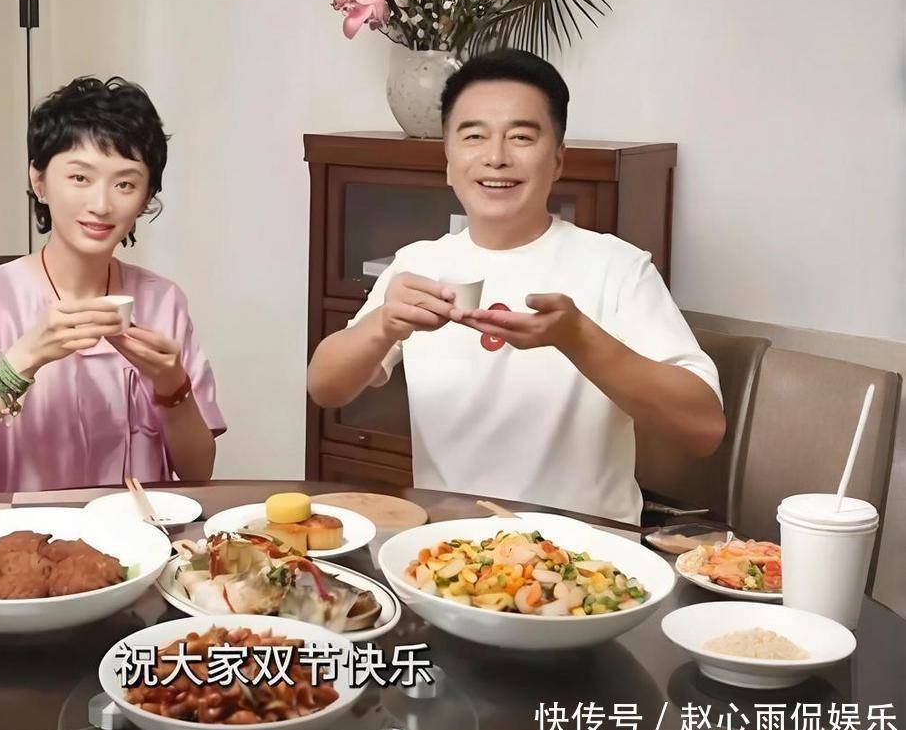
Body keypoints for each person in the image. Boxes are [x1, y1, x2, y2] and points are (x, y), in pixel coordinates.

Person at [306, 49, 724, 523]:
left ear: (558, 160)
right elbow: (325, 387)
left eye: (521, 137)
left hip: (589, 552)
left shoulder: (618, 267)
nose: (496, 158)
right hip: (447, 548)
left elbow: (703, 429)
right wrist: (382, 326)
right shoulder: (418, 264)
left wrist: (578, 339)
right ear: (448, 161)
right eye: (474, 136)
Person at [0, 77, 225, 502]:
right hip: (13, 538)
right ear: (40, 180)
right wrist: (20, 362)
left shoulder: (163, 302)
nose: (101, 205)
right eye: (80, 177)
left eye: (125, 183)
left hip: (136, 537)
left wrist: (172, 384)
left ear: (145, 198)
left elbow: (198, 472)